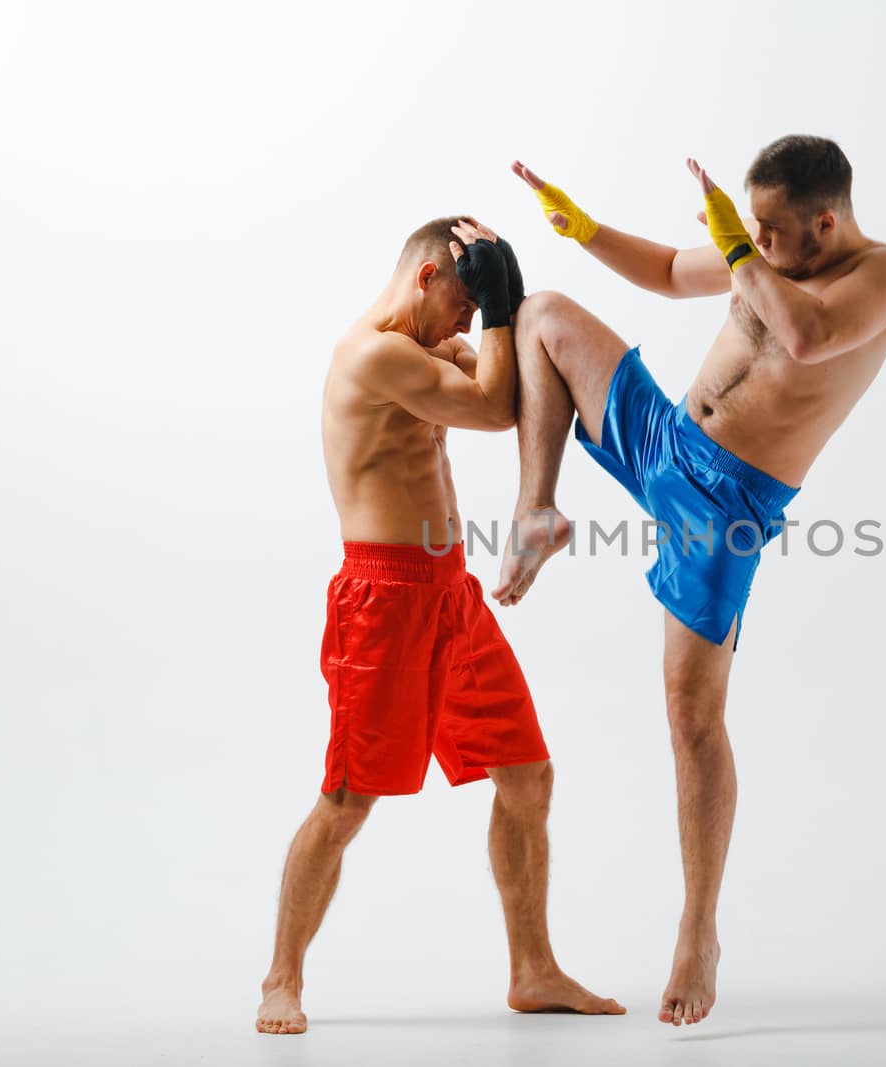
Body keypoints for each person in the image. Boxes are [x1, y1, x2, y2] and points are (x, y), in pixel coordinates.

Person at [490, 135, 886, 1026]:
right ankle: (540, 510)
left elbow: (806, 338)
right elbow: (662, 270)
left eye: (770, 230)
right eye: (749, 227)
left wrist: (737, 249)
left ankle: (698, 928)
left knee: (691, 717)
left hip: (725, 504)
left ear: (826, 222)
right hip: (668, 441)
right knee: (541, 314)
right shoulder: (758, 249)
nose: (754, 242)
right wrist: (584, 227)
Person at [256, 216, 623, 1035]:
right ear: (425, 278)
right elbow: (496, 409)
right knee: (348, 799)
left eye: (474, 309)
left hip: (450, 595)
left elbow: (516, 385)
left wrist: (510, 294)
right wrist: (496, 310)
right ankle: (281, 978)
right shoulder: (373, 355)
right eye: (463, 302)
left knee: (527, 777)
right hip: (381, 604)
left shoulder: (426, 347)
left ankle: (532, 970)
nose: (468, 323)